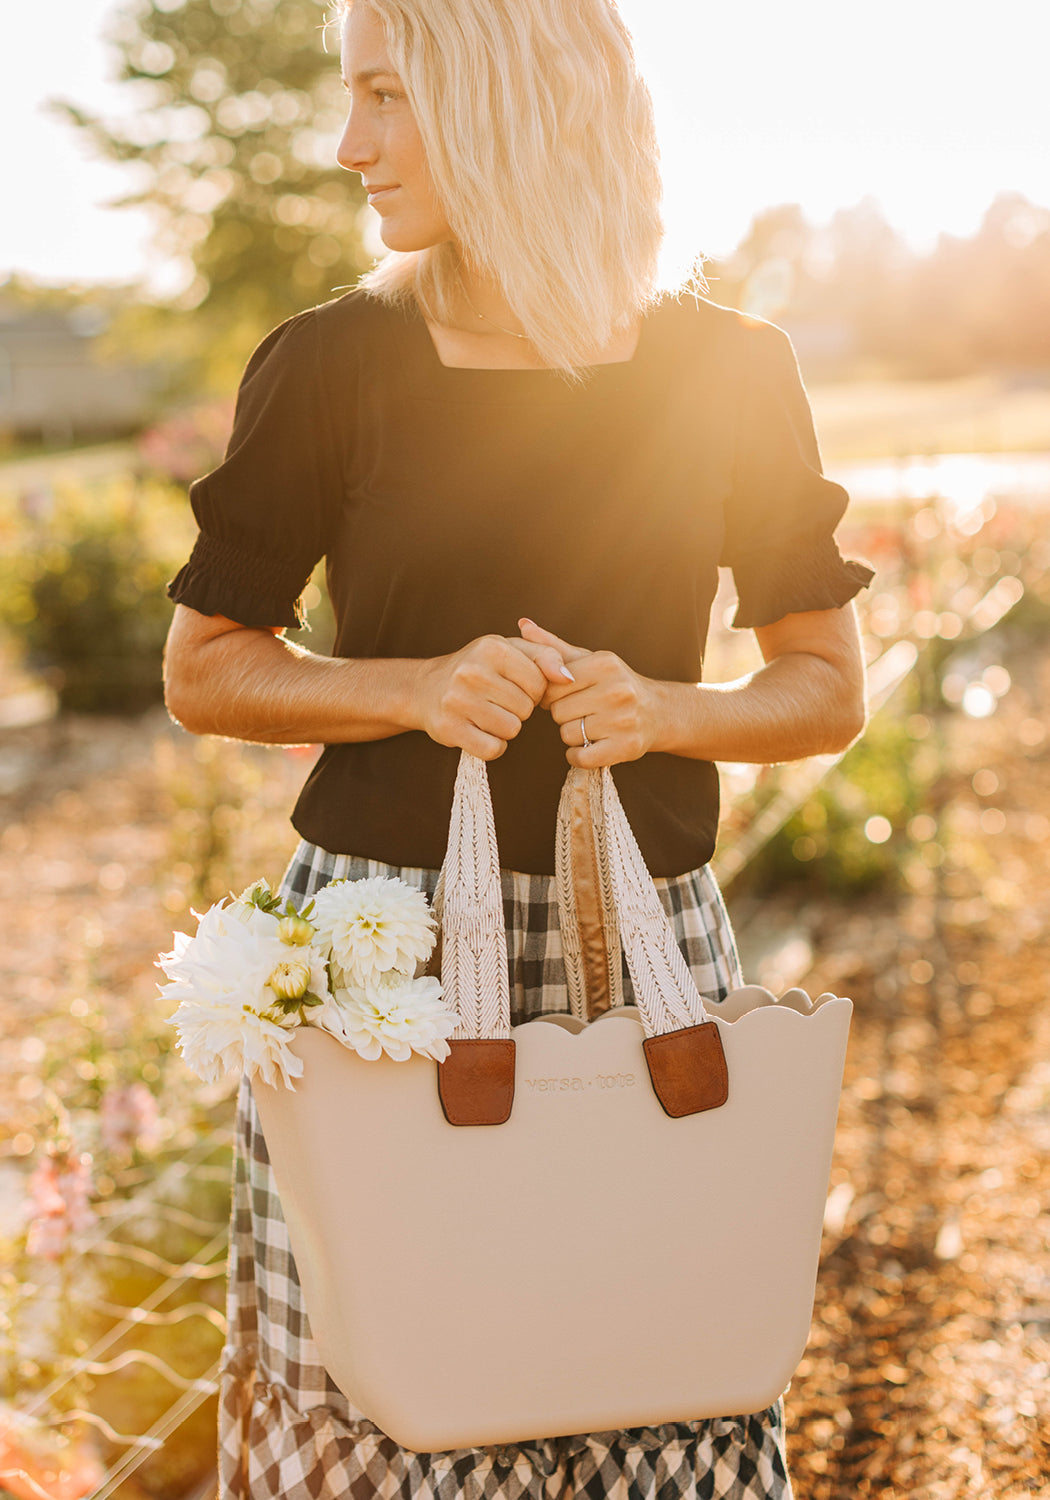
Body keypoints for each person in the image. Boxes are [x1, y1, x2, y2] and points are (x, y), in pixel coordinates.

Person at [163, 0, 873, 1494]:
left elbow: (821, 688)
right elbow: (207, 669)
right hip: (385, 960)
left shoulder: (726, 370)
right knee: (387, 1386)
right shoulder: (334, 362)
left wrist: (666, 713)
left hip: (646, 954)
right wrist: (410, 687)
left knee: (649, 1367)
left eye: (382, 97)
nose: (348, 146)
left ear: (499, 99)